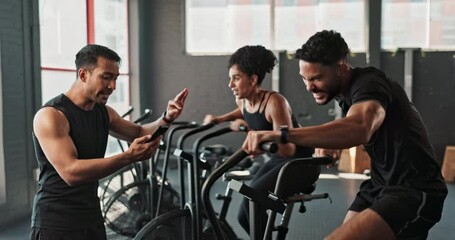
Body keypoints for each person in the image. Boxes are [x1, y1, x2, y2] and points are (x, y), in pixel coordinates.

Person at [242, 30, 447, 239]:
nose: (309, 87)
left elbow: (361, 126)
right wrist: (334, 141)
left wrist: (283, 135)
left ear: (341, 68)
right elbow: (368, 129)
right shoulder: (346, 94)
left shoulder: (369, 83)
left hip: (412, 190)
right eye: (304, 79)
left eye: (317, 78)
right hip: (378, 186)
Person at [30, 44, 189, 240]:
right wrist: (128, 157)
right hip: (57, 221)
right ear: (83, 75)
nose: (112, 86)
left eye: (115, 79)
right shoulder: (52, 116)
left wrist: (166, 119)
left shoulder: (103, 112)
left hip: (91, 216)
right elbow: (71, 172)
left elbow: (140, 133)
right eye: (106, 77)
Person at [203, 45, 319, 236]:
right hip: (278, 162)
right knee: (243, 215)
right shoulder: (242, 100)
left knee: (254, 201)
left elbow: (288, 149)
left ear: (253, 79)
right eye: (230, 78)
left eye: (236, 78)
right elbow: (244, 112)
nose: (230, 84)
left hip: (301, 164)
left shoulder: (275, 102)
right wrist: (221, 119)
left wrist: (262, 145)